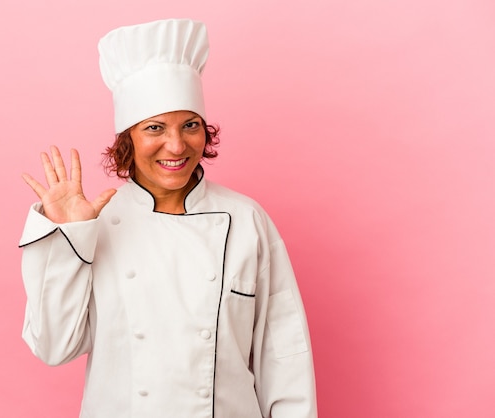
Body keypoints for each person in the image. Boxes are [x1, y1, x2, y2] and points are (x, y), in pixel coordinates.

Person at [19, 18, 317, 418]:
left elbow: (285, 358)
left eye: (190, 125)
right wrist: (68, 236)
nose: (176, 145)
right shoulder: (98, 225)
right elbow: (54, 347)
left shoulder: (246, 220)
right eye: (155, 127)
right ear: (128, 138)